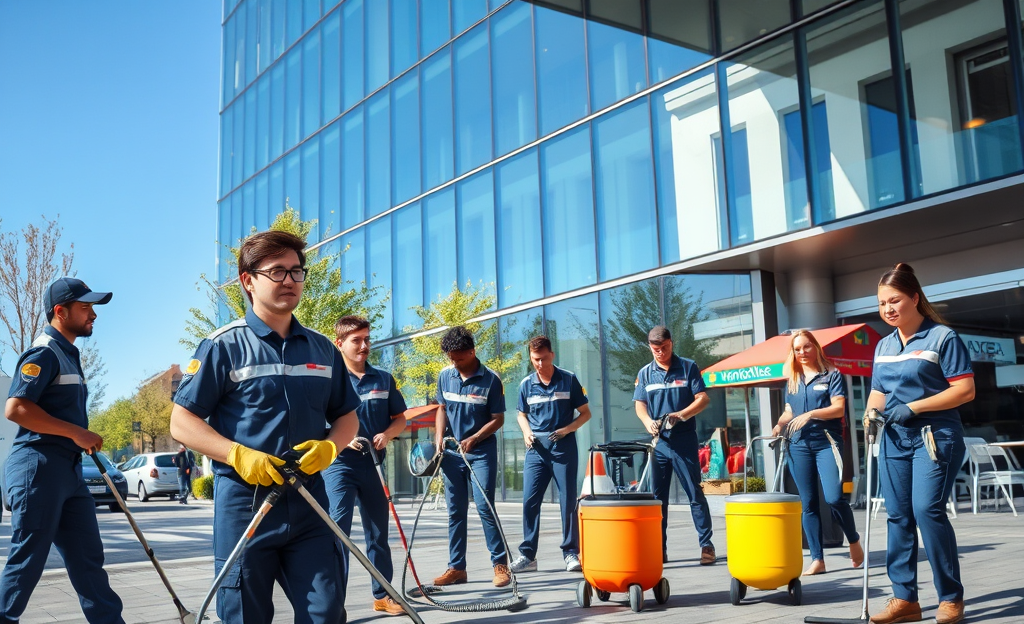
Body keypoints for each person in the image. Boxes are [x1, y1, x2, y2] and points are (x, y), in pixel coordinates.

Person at [170, 230, 360, 624]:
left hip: (309, 503)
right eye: (277, 271)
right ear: (247, 280)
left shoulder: (324, 348)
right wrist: (237, 454)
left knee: (326, 613)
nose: (289, 280)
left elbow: (346, 415)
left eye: (296, 271)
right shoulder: (222, 346)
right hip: (246, 505)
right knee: (245, 616)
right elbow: (182, 422)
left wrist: (330, 447)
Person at [0, 277, 124, 623]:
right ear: (60, 311)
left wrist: (77, 438)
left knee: (88, 561)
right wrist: (77, 433)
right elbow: (16, 408)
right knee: (27, 563)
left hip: (67, 472)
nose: (93, 315)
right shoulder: (44, 352)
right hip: (38, 468)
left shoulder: (68, 354)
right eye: (86, 308)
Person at [865, 263, 974, 624]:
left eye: (894, 300)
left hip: (935, 438)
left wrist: (912, 407)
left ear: (914, 297)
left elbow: (964, 390)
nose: (888, 309)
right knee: (898, 516)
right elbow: (878, 392)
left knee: (927, 510)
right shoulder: (883, 345)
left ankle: (950, 597)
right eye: (882, 304)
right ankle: (905, 600)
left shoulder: (943, 338)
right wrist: (870, 415)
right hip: (894, 440)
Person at [323, 315, 407, 616]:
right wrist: (342, 440)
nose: (364, 345)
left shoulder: (383, 378)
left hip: (373, 466)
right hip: (339, 467)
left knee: (377, 535)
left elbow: (400, 419)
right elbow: (318, 423)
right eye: (356, 340)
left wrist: (387, 433)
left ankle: (383, 595)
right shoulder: (329, 379)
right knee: (338, 534)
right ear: (340, 344)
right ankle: (331, 605)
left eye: (367, 339)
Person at [772, 330, 863, 576]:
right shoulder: (792, 379)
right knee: (808, 503)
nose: (802, 352)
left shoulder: (832, 375)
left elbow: (838, 409)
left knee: (834, 498)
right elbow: (789, 411)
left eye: (806, 347)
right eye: (797, 349)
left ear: (816, 347)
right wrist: (780, 424)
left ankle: (853, 540)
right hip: (798, 444)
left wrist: (810, 414)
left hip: (826, 442)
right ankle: (817, 559)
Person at [432, 326, 510, 588]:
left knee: (485, 506)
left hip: (481, 453)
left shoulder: (491, 380)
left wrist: (475, 438)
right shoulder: (445, 376)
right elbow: (441, 409)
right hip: (452, 454)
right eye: (451, 358)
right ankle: (457, 568)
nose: (454, 363)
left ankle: (500, 565)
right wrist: (439, 438)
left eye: (459, 358)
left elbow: (498, 419)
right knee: (455, 511)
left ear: (472, 351)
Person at [633, 325, 716, 565]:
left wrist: (681, 414)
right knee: (658, 499)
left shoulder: (688, 367)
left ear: (672, 343)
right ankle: (659, 549)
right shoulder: (645, 373)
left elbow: (703, 398)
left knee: (694, 493)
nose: (660, 352)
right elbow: (640, 404)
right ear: (650, 347)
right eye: (656, 349)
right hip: (659, 442)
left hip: (683, 439)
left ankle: (707, 545)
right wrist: (647, 421)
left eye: (665, 347)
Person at [510, 336, 591, 574]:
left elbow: (585, 413)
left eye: (543, 358)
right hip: (536, 449)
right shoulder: (526, 384)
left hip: (563, 447)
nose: (539, 363)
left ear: (552, 355)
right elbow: (521, 414)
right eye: (535, 359)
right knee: (529, 501)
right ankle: (527, 555)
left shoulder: (568, 379)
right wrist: (526, 433)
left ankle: (570, 553)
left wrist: (567, 429)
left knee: (567, 501)